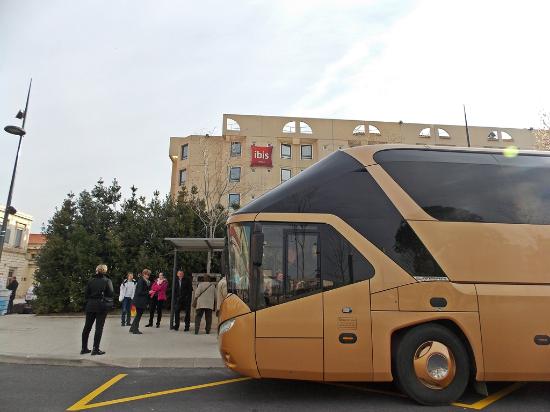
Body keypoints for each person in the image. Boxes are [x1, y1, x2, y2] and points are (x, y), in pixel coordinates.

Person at [81, 264, 114, 355]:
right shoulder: (107, 280)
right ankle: (95, 349)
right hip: (101, 306)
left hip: (90, 305)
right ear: (105, 271)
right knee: (99, 328)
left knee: (87, 327)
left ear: (97, 270)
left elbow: (86, 294)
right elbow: (111, 293)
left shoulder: (91, 280)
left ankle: (84, 348)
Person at [130, 269, 151, 334]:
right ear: (144, 274)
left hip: (140, 301)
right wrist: (148, 292)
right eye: (147, 274)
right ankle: (135, 330)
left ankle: (132, 328)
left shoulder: (144, 281)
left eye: (149, 275)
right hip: (139, 301)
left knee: (138, 315)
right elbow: (139, 292)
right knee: (138, 316)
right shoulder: (141, 281)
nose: (148, 276)